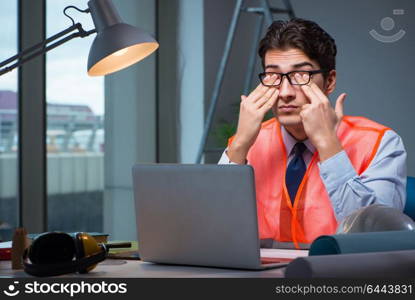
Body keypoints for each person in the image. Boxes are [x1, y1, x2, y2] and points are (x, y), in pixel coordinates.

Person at [218, 18, 407, 249]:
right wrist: (239, 145)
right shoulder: (248, 143)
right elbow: (211, 230)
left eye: (301, 76)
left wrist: (328, 144)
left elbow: (378, 241)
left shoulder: (380, 143)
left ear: (329, 81)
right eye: (274, 76)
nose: (285, 92)